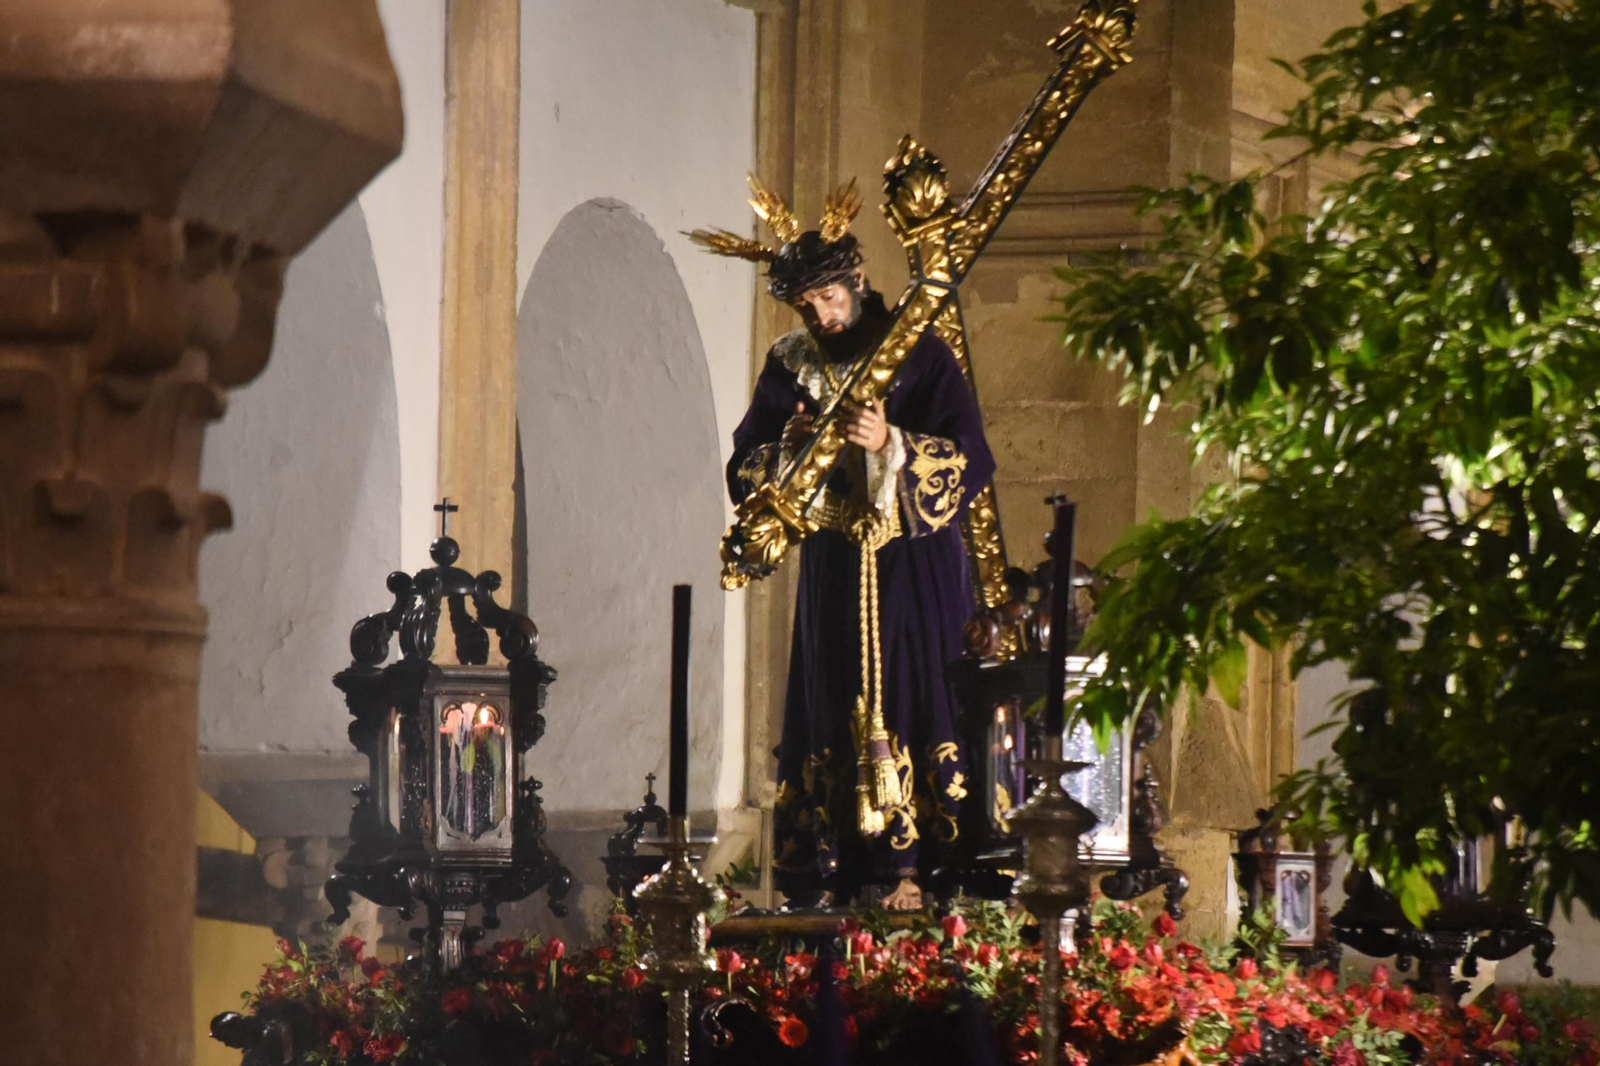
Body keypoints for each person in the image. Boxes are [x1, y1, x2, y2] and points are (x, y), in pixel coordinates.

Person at [691, 177, 995, 909]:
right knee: (831, 699)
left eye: (829, 298)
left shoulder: (916, 350)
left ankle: (922, 869)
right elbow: (746, 464)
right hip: (831, 565)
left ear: (857, 279)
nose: (821, 314)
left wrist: (892, 440)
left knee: (915, 694)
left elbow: (973, 457)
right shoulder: (791, 360)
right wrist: (791, 449)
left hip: (912, 564)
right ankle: (826, 869)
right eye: (807, 304)